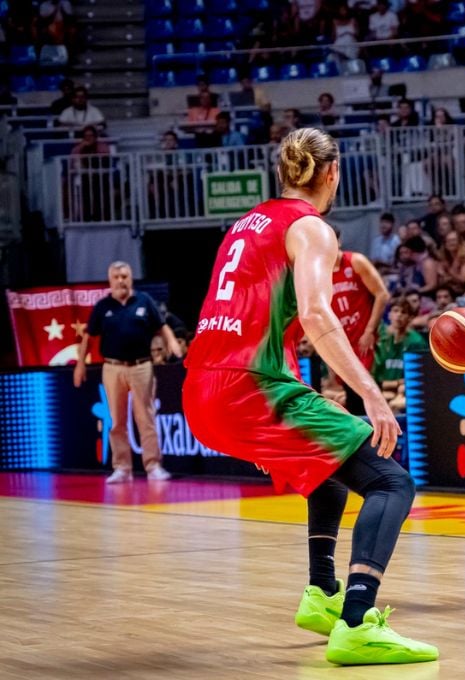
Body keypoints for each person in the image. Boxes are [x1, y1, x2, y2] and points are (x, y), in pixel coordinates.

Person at [182, 128, 438, 664]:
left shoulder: (245, 225)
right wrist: (368, 392)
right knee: (391, 481)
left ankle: (322, 593)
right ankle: (357, 622)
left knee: (329, 467)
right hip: (247, 386)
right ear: (331, 174)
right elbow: (317, 314)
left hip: (202, 386)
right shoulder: (312, 229)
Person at [73, 261, 182, 482]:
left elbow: (161, 325)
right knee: (116, 420)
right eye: (116, 277)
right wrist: (80, 364)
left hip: (142, 366)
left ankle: (153, 467)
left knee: (146, 418)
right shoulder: (103, 306)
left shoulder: (144, 301)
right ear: (110, 281)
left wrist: (172, 342)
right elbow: (88, 335)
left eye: (124, 276)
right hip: (113, 367)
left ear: (131, 278)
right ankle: (122, 467)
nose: (121, 280)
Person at [331, 235, 390, 415]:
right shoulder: (318, 272)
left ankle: (381, 439)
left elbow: (382, 295)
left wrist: (370, 330)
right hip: (342, 341)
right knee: (351, 396)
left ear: (338, 241)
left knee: (369, 393)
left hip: (365, 336)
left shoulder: (355, 261)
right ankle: (364, 440)